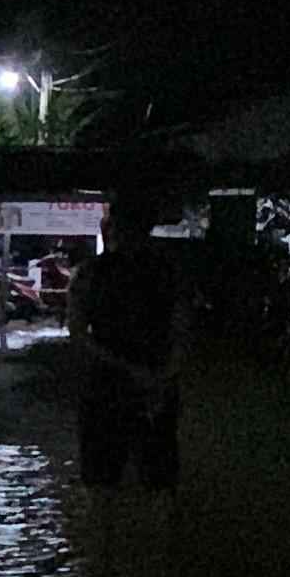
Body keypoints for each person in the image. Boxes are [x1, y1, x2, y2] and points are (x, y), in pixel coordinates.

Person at [72, 199, 184, 500]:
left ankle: (104, 547)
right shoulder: (170, 272)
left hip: (105, 389)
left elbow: (79, 336)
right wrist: (158, 377)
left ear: (110, 228)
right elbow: (182, 334)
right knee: (158, 487)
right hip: (155, 388)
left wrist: (126, 370)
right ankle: (160, 547)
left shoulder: (90, 273)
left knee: (101, 488)